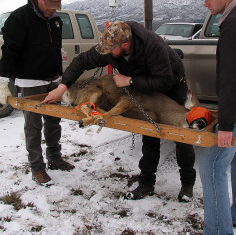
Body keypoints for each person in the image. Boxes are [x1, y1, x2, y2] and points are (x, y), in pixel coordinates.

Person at [42, 20, 196, 201]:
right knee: (148, 131)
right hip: (142, 84)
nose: (105, 52)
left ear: (125, 44)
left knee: (182, 134)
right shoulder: (110, 48)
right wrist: (62, 87)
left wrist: (130, 81)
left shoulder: (152, 46)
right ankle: (146, 184)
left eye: (110, 49)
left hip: (171, 84)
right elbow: (81, 61)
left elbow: (164, 80)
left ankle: (187, 186)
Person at [0, 0, 74, 185]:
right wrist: (3, 79)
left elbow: (54, 47)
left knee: (53, 122)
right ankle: (37, 167)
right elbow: (10, 50)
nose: (53, 10)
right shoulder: (19, 18)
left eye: (55, 7)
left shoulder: (55, 20)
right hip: (30, 80)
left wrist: (59, 71)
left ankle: (54, 158)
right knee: (33, 126)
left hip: (53, 79)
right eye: (50, 6)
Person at [188, 0, 236, 235]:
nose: (205, 2)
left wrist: (226, 124)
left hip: (235, 112)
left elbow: (231, 78)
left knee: (211, 165)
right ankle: (231, 217)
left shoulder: (232, 26)